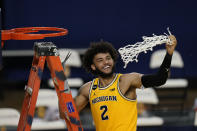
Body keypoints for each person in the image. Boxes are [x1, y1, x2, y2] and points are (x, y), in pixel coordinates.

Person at [61, 35, 177, 131]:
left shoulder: (127, 80)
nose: (106, 62)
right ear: (93, 66)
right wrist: (61, 87)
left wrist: (169, 54)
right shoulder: (88, 89)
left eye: (108, 58)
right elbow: (66, 114)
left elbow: (160, 79)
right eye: (100, 60)